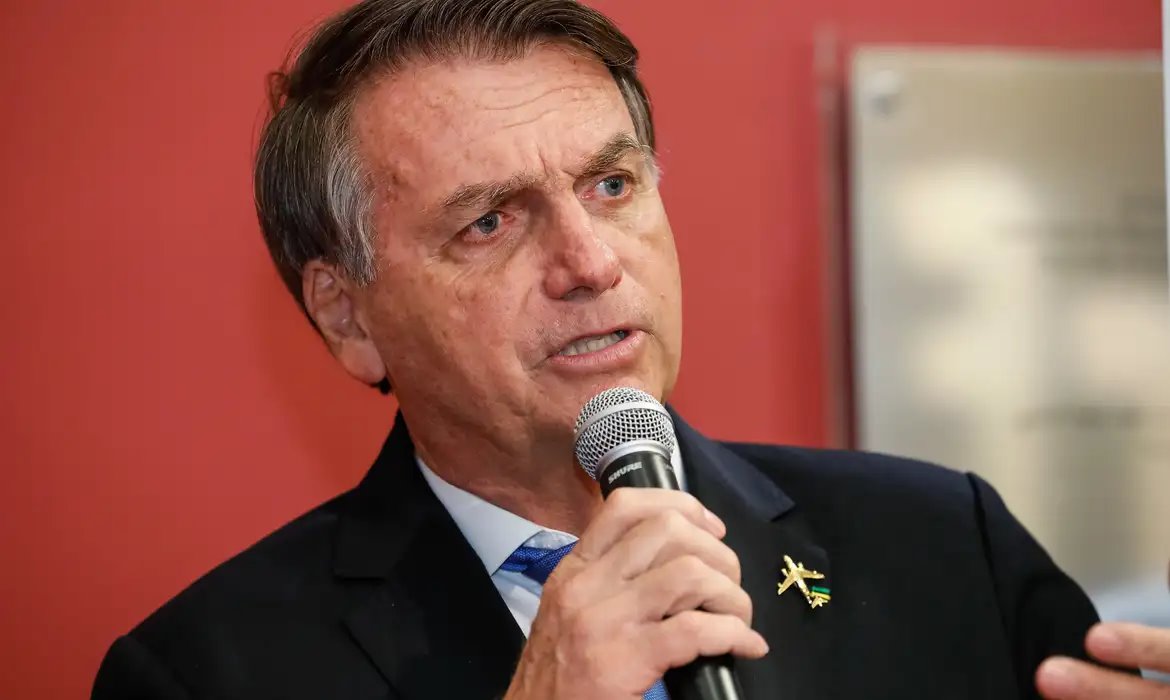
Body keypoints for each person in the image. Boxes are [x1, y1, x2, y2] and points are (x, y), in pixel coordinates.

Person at [90, 1, 1168, 698]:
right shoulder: (205, 671)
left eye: (612, 186)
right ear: (348, 318)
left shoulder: (944, 547)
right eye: (490, 222)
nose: (591, 261)